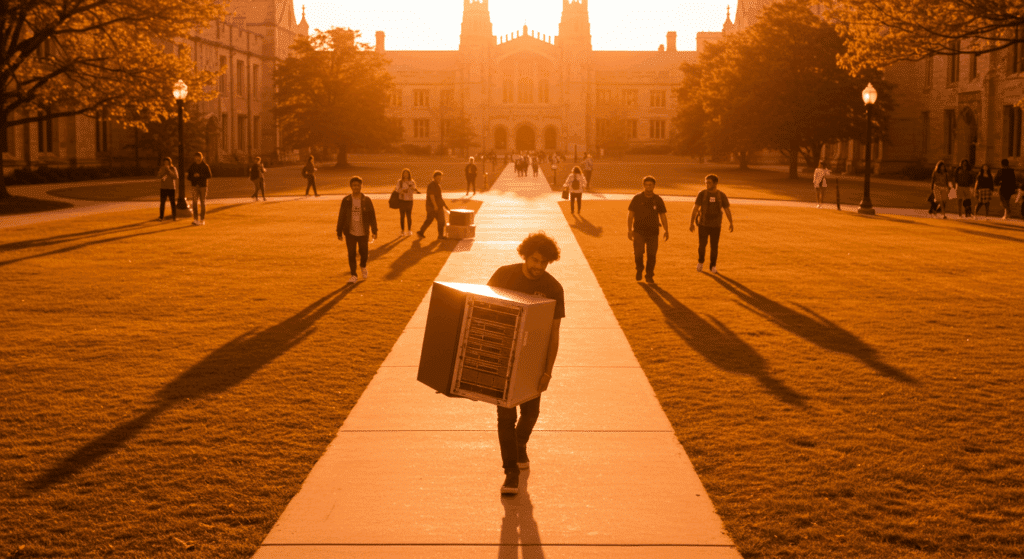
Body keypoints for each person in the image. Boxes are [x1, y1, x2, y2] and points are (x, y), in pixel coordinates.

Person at [487, 232, 565, 496]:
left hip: (534, 359)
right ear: (524, 254)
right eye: (535, 260)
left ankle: (519, 446)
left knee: (530, 414)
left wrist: (547, 371)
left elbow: (554, 333)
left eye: (544, 263)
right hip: (502, 358)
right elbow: (482, 312)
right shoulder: (503, 276)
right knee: (505, 417)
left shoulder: (554, 288)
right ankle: (511, 472)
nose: (539, 267)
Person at [689, 174, 734, 274]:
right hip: (703, 225)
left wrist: (731, 222)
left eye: (709, 183)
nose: (707, 184)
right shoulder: (702, 194)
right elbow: (695, 208)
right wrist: (691, 222)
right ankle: (700, 262)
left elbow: (727, 210)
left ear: (715, 183)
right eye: (706, 183)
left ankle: (713, 265)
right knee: (702, 245)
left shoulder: (721, 195)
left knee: (714, 247)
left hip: (716, 226)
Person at [336, 176, 378, 284]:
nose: (356, 187)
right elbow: (341, 215)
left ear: (361, 186)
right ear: (351, 187)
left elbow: (372, 215)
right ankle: (353, 275)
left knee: (364, 252)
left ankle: (363, 266)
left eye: (358, 185)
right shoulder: (346, 200)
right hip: (350, 232)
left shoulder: (366, 200)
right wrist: (339, 231)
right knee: (351, 253)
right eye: (354, 185)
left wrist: (374, 230)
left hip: (363, 231)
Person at [627, 176, 669, 282]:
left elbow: (663, 216)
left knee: (652, 255)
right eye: (646, 185)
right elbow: (630, 214)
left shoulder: (658, 200)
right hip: (638, 231)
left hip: (653, 232)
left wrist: (666, 230)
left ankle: (649, 275)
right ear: (643, 185)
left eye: (650, 185)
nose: (648, 187)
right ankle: (639, 269)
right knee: (638, 253)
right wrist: (629, 229)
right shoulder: (637, 198)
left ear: (654, 186)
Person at [417, 170, 448, 239]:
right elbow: (432, 196)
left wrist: (445, 205)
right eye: (438, 178)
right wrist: (435, 206)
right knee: (436, 220)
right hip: (432, 207)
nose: (439, 179)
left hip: (438, 206)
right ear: (434, 177)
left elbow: (439, 197)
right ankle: (439, 236)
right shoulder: (432, 185)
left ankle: (421, 232)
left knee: (437, 220)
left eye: (440, 178)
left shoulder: (438, 185)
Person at [186, 152, 212, 226]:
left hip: (203, 186)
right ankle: (195, 219)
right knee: (194, 203)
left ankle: (202, 219)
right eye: (196, 157)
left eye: (198, 157)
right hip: (194, 186)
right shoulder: (192, 166)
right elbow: (188, 177)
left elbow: (209, 175)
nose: (197, 159)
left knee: (202, 202)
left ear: (201, 158)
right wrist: (193, 176)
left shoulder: (205, 166)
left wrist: (200, 175)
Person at [396, 168, 419, 236]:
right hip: (402, 200)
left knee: (409, 216)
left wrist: (412, 188)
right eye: (404, 173)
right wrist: (403, 190)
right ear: (402, 174)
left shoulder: (412, 181)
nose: (405, 175)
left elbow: (415, 190)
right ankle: (402, 231)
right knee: (402, 216)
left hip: (409, 200)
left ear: (409, 174)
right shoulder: (400, 182)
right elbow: (397, 189)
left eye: (407, 173)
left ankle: (409, 230)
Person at [157, 157, 178, 221]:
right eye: (165, 162)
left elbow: (176, 177)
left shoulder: (173, 168)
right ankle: (161, 216)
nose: (166, 163)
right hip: (163, 188)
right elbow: (159, 176)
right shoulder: (162, 168)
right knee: (162, 203)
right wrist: (164, 171)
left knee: (172, 203)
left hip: (171, 188)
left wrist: (169, 170)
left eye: (167, 162)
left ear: (170, 163)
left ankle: (174, 216)